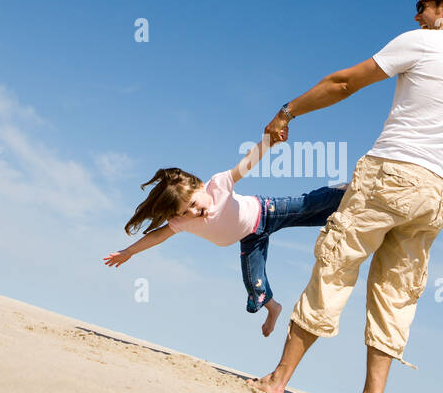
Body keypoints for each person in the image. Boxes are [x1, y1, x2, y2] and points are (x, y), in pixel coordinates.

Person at [248, 0, 443, 393]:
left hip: (392, 173)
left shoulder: (424, 43)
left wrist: (288, 111)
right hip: (439, 192)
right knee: (397, 294)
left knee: (335, 265)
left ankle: (278, 379)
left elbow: (344, 83)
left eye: (422, 6)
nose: (416, 16)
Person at [103, 132, 348, 337]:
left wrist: (267, 141)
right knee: (254, 285)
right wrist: (128, 252)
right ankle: (273, 307)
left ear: (200, 186)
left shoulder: (218, 184)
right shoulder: (182, 221)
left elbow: (246, 164)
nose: (194, 211)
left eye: (193, 203)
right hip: (250, 238)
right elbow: (157, 236)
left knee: (308, 206)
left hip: (266, 212)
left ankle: (341, 193)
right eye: (186, 211)